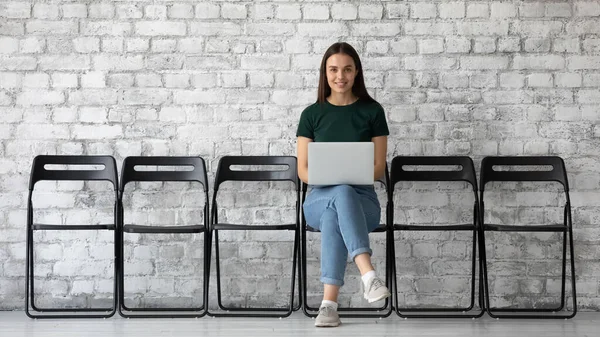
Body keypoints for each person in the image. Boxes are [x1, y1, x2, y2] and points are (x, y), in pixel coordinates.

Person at [296, 42, 391, 327]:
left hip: (364, 204)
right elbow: (303, 170)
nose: (341, 76)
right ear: (325, 73)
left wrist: (342, 182)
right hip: (317, 199)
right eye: (334, 69)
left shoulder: (373, 111)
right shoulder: (311, 114)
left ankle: (328, 306)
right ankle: (369, 276)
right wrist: (336, 180)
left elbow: (377, 167)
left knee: (336, 208)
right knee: (338, 194)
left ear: (357, 72)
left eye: (347, 69)